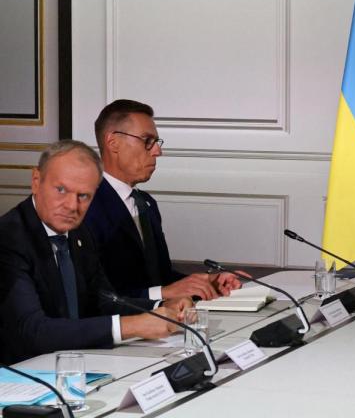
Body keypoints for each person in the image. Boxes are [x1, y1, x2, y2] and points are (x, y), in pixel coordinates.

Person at [0, 140, 188, 363]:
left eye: (84, 196)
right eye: (61, 190)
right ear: (36, 181)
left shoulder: (79, 232)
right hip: (21, 376)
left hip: (77, 363)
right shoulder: (8, 238)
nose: (72, 206)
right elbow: (34, 332)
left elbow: (102, 300)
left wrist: (161, 308)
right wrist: (131, 326)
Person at [82, 99, 243, 300]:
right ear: (113, 142)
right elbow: (94, 297)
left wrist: (208, 283)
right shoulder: (83, 206)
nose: (158, 151)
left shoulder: (146, 203)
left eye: (156, 142)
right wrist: (164, 292)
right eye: (147, 141)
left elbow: (160, 278)